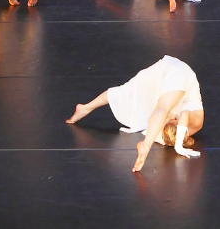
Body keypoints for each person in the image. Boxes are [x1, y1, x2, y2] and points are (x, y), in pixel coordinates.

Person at [66, 55, 204, 172]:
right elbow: (183, 115)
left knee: (128, 91)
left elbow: (168, 117)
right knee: (162, 108)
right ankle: (146, 144)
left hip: (165, 68)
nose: (171, 119)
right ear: (179, 126)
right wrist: (178, 146)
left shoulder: (174, 128)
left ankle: (85, 108)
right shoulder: (196, 124)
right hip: (181, 75)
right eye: (171, 121)